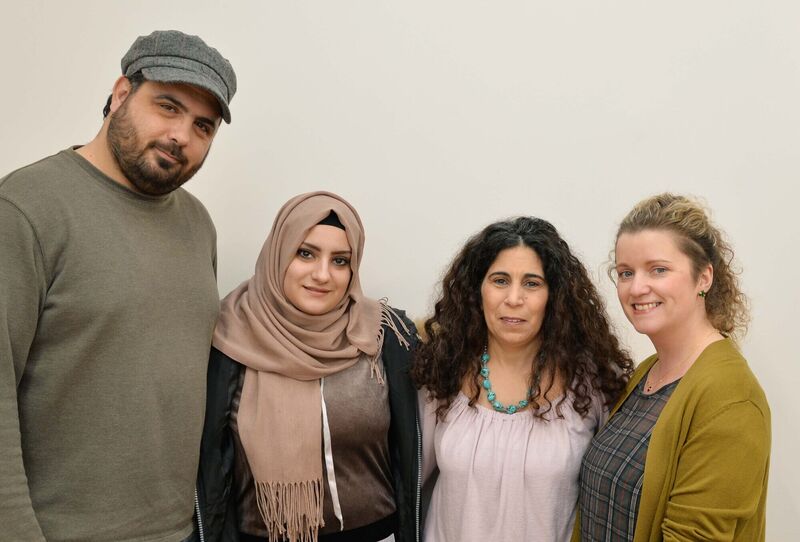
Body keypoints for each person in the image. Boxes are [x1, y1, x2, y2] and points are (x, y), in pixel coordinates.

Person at [0, 30, 236, 541]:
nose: (182, 135)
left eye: (203, 126)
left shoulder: (198, 225)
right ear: (121, 95)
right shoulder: (27, 207)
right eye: (167, 107)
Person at [197, 191, 421, 542]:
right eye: (306, 253)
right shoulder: (229, 336)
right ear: (279, 252)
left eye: (340, 261)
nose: (322, 274)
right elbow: (211, 463)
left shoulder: (383, 334)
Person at [412, 216, 633, 542]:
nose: (514, 298)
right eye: (500, 280)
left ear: (554, 296)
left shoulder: (593, 381)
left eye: (532, 283)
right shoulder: (444, 372)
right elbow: (409, 486)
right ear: (477, 290)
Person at [577, 193, 770, 541]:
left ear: (704, 277)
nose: (637, 287)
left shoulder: (731, 398)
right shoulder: (648, 372)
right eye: (625, 272)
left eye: (659, 270)